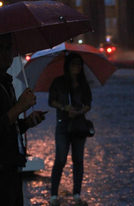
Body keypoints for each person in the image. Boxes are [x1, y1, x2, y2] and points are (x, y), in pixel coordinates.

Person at [0, 33, 46, 205]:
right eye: (0, 48)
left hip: (12, 169)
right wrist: (19, 107)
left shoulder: (7, 82)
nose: (6, 53)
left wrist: (26, 123)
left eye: (9, 47)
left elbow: (9, 127)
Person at [48, 53, 91, 206]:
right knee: (60, 159)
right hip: (63, 124)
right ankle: (53, 195)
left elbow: (88, 103)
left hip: (79, 125)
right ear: (68, 65)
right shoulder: (58, 82)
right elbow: (51, 101)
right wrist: (64, 107)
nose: (77, 67)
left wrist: (79, 111)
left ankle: (77, 194)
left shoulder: (83, 83)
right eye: (74, 64)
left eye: (79, 64)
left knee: (78, 160)